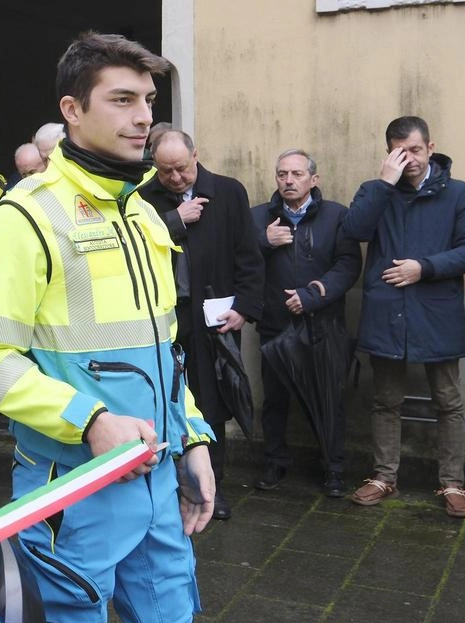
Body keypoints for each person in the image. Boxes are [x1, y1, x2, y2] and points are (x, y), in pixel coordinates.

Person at [0, 32, 215, 622]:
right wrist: (91, 421)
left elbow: (164, 353)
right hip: (74, 493)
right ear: (72, 110)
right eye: (122, 100)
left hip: (156, 488)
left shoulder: (143, 212)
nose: (143, 118)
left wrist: (194, 441)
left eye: (149, 101)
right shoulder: (25, 216)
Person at [343, 116, 465, 518]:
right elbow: (353, 229)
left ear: (431, 147)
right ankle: (383, 477)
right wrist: (384, 185)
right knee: (386, 398)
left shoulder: (458, 194)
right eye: (400, 152)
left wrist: (424, 267)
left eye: (417, 150)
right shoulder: (375, 190)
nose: (410, 160)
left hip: (436, 310)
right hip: (388, 310)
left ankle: (452, 483)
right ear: (390, 152)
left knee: (448, 400)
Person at [140, 129, 264, 520]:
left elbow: (249, 254)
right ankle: (168, 485)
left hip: (215, 317)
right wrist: (174, 221)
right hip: (164, 317)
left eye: (181, 168)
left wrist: (244, 307)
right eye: (165, 171)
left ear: (196, 155)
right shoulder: (144, 198)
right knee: (164, 400)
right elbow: (137, 247)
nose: (175, 178)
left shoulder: (228, 191)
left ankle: (213, 487)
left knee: (211, 406)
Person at [250, 149, 362, 497]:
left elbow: (348, 266)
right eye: (282, 174)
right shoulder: (258, 218)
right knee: (275, 400)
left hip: (322, 324)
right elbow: (240, 260)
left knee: (328, 399)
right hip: (275, 323)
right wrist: (263, 243)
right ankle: (274, 462)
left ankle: (333, 468)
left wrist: (313, 295)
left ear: (314, 179)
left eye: (297, 174)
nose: (288, 180)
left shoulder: (337, 216)